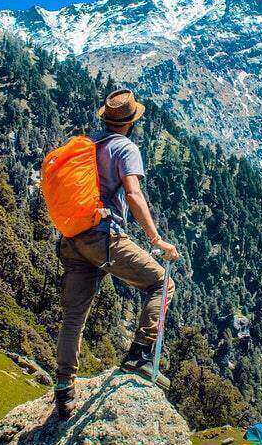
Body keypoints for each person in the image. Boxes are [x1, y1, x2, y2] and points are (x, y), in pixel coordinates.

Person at [54, 89, 179, 419]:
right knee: (160, 285)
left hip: (73, 239)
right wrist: (157, 239)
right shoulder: (125, 147)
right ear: (131, 122)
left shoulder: (90, 145)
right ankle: (139, 356)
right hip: (104, 237)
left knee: (73, 316)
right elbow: (134, 194)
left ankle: (64, 390)